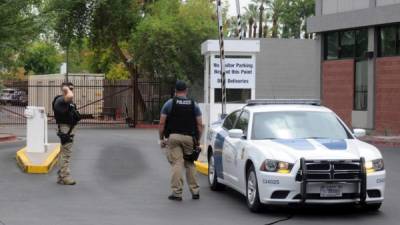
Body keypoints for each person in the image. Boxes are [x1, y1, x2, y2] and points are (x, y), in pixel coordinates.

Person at [159, 80, 203, 201]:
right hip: (189, 137)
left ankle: (177, 193)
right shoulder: (194, 104)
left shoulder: (169, 103)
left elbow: (162, 123)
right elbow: (200, 125)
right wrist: (198, 140)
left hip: (173, 137)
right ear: (186, 91)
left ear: (175, 91)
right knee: (190, 163)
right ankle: (195, 191)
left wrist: (161, 138)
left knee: (177, 163)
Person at [52, 82, 81, 185]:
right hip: (65, 130)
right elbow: (69, 96)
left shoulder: (68, 101)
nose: (71, 91)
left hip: (69, 129)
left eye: (72, 89)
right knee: (66, 154)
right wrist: (66, 89)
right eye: (70, 89)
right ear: (64, 90)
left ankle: (61, 175)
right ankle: (65, 176)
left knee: (64, 152)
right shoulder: (60, 100)